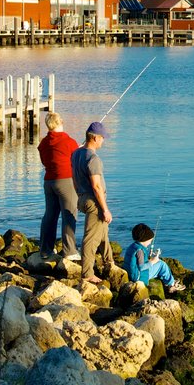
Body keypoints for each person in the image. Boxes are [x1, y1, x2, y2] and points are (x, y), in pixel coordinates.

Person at [71, 121, 114, 283]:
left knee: (103, 233)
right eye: (102, 137)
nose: (103, 140)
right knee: (90, 239)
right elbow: (96, 186)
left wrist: (79, 195)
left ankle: (109, 262)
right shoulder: (93, 158)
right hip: (94, 202)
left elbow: (74, 178)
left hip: (82, 197)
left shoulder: (76, 154)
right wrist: (105, 209)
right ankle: (87, 274)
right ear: (95, 138)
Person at [37, 112, 80, 260]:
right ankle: (69, 251)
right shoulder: (68, 141)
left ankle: (45, 249)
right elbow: (76, 160)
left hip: (49, 181)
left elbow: (44, 160)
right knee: (69, 214)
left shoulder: (44, 143)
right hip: (66, 180)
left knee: (50, 215)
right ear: (61, 121)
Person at [123, 223, 185, 293]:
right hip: (139, 277)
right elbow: (141, 267)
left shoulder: (133, 246)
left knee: (159, 266)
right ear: (144, 239)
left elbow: (136, 262)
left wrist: (148, 258)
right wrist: (153, 261)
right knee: (161, 264)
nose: (150, 243)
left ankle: (169, 281)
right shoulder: (140, 251)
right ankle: (172, 284)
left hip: (131, 273)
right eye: (150, 241)